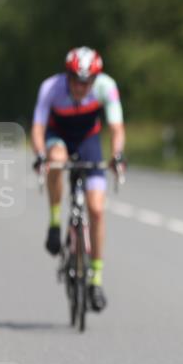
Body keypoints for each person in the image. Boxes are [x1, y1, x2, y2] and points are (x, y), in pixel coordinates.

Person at [31, 47, 126, 312]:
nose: (81, 87)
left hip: (88, 140)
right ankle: (53, 221)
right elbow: (38, 127)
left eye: (87, 82)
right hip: (58, 136)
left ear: (95, 79)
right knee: (57, 162)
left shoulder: (106, 86)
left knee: (96, 209)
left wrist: (117, 155)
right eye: (75, 80)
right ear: (67, 75)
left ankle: (95, 279)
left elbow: (117, 127)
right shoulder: (51, 88)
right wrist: (40, 155)